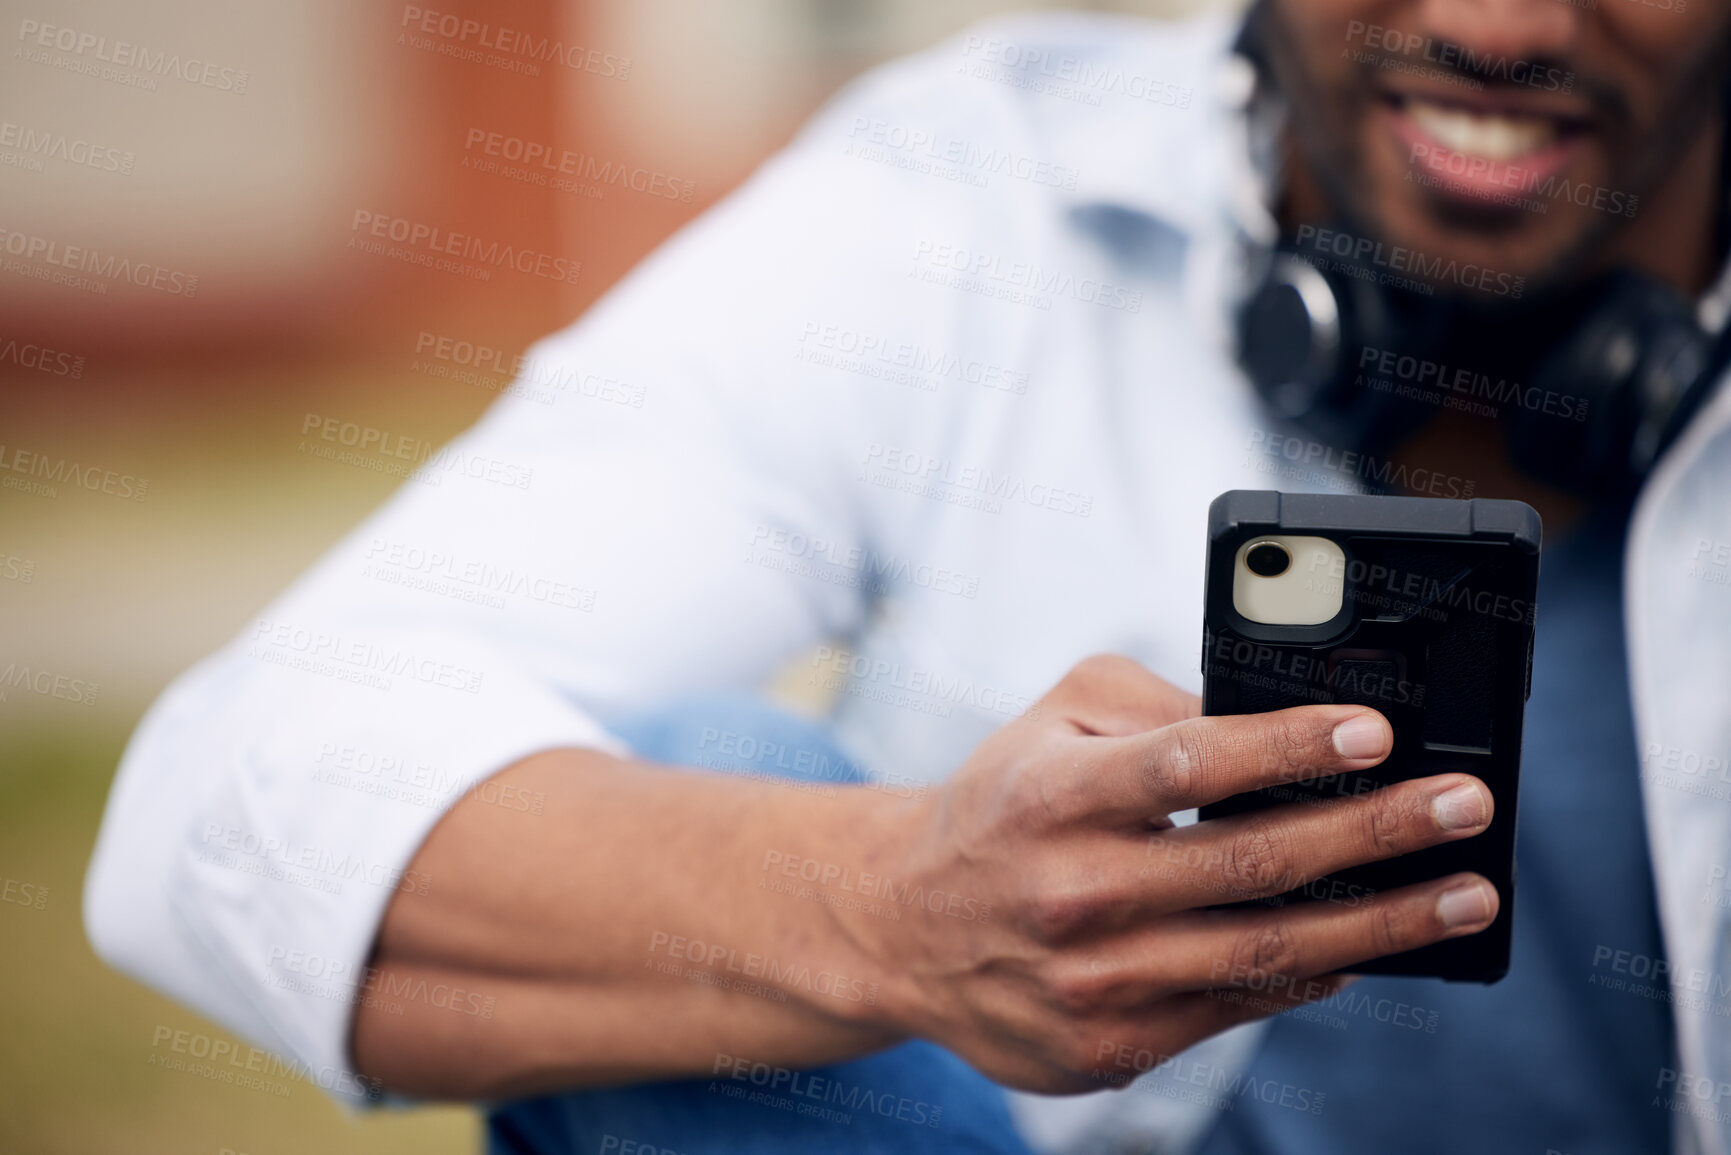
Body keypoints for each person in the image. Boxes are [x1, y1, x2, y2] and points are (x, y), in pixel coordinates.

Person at [85, 0, 1731, 1151]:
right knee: (717, 784)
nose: (1504, 25)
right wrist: (893, 914)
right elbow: (224, 794)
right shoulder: (978, 192)